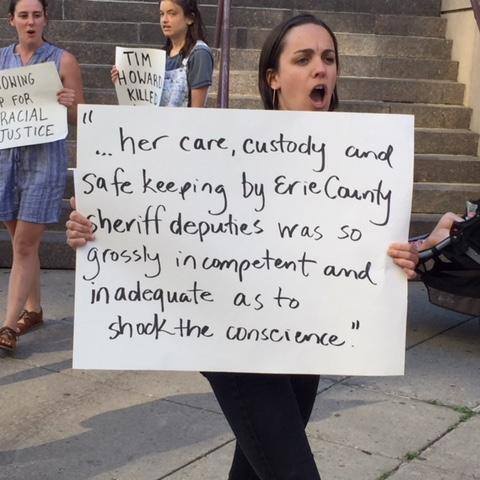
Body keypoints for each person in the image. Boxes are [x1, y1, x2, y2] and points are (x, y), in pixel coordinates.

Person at [66, 14, 423, 479]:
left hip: (305, 341)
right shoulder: (223, 153)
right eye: (304, 58)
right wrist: (96, 228)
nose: (322, 69)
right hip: (234, 344)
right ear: (273, 78)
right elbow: (157, 217)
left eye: (329, 58)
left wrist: (405, 255)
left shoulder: (363, 162)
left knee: (256, 468)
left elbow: (361, 248)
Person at [0, 0, 84, 353]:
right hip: (6, 159)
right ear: (12, 21)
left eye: (36, 15)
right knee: (19, 236)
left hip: (44, 161)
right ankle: (32, 309)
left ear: (45, 19)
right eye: (24, 15)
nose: (30, 21)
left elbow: (82, 115)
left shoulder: (63, 60)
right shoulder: (2, 61)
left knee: (23, 245)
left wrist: (70, 103)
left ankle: (7, 328)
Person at [112, 0, 214, 108]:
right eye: (162, 14)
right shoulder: (161, 56)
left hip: (182, 124)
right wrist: (124, 82)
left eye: (172, 13)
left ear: (190, 18)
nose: (165, 20)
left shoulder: (199, 54)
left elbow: (197, 111)